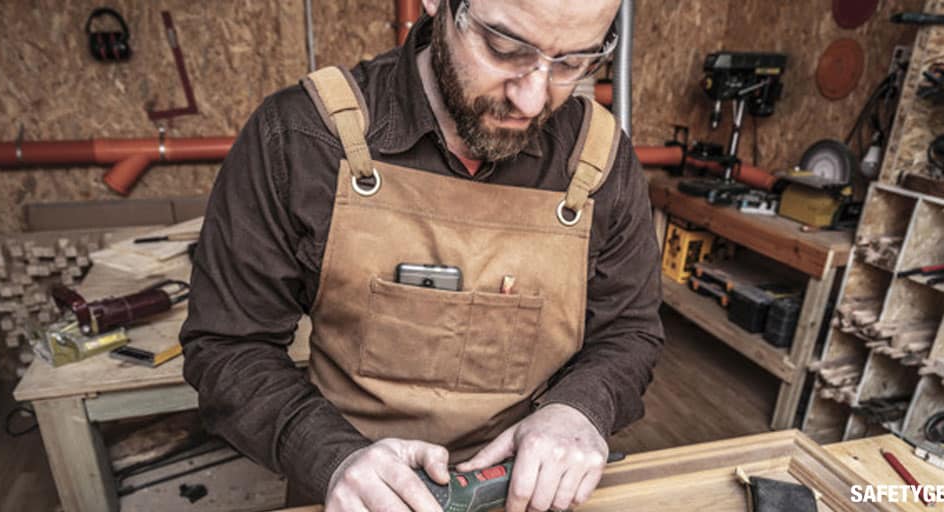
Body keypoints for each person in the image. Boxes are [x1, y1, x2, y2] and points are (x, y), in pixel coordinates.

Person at [179, 0, 663, 510]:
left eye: (572, 63)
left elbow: (628, 330)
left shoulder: (600, 157)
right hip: (353, 493)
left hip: (525, 490)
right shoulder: (303, 138)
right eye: (504, 48)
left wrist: (581, 409)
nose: (532, 97)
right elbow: (228, 344)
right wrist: (331, 457)